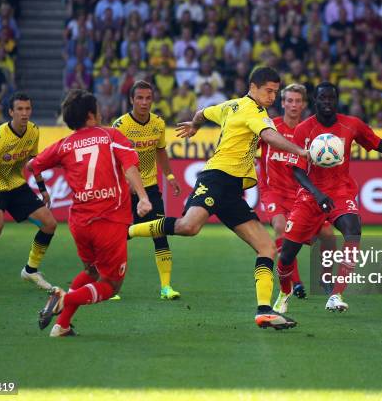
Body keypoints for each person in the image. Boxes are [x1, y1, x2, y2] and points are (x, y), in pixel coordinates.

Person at [128, 67, 310, 330]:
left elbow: (204, 112)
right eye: (269, 91)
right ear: (254, 87)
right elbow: (269, 136)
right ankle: (129, 230)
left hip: (232, 190)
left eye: (275, 92)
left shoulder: (231, 105)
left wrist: (195, 124)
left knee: (267, 248)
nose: (273, 97)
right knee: (188, 227)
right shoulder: (255, 112)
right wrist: (300, 151)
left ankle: (264, 311)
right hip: (216, 178)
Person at [276, 82, 382, 313]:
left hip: (341, 192)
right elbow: (295, 169)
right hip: (310, 195)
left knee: (353, 229)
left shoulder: (351, 124)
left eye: (331, 98)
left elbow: (379, 143)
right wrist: (317, 193)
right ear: (315, 101)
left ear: (336, 100)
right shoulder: (304, 130)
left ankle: (336, 294)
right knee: (286, 256)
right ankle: (285, 292)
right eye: (322, 98)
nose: (327, 102)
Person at [31, 89, 152, 337]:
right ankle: (66, 298)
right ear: (90, 115)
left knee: (92, 271)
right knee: (111, 285)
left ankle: (61, 325)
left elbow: (33, 165)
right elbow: (129, 167)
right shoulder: (111, 136)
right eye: (97, 108)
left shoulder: (64, 144)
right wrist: (143, 197)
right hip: (109, 221)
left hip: (79, 223)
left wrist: (43, 190)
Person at [0, 92, 57, 294]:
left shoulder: (34, 131)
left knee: (50, 224)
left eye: (27, 109)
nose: (24, 113)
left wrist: (42, 188)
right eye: (20, 109)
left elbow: (34, 163)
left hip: (17, 185)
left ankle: (30, 270)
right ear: (11, 112)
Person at [258, 83, 335, 303]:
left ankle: (325, 278)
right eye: (289, 100)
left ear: (304, 104)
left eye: (297, 101)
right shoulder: (269, 128)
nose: (293, 105)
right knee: (281, 228)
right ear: (282, 103)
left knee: (327, 236)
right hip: (274, 192)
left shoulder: (311, 131)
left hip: (302, 195)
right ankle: (295, 282)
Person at [112, 80, 182, 300]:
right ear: (131, 100)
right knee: (116, 238)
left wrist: (170, 176)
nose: (144, 102)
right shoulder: (120, 125)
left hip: (151, 188)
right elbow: (114, 160)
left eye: (148, 98)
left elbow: (160, 151)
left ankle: (166, 287)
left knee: (159, 232)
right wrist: (127, 182)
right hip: (125, 190)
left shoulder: (158, 123)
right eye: (139, 98)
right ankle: (109, 285)